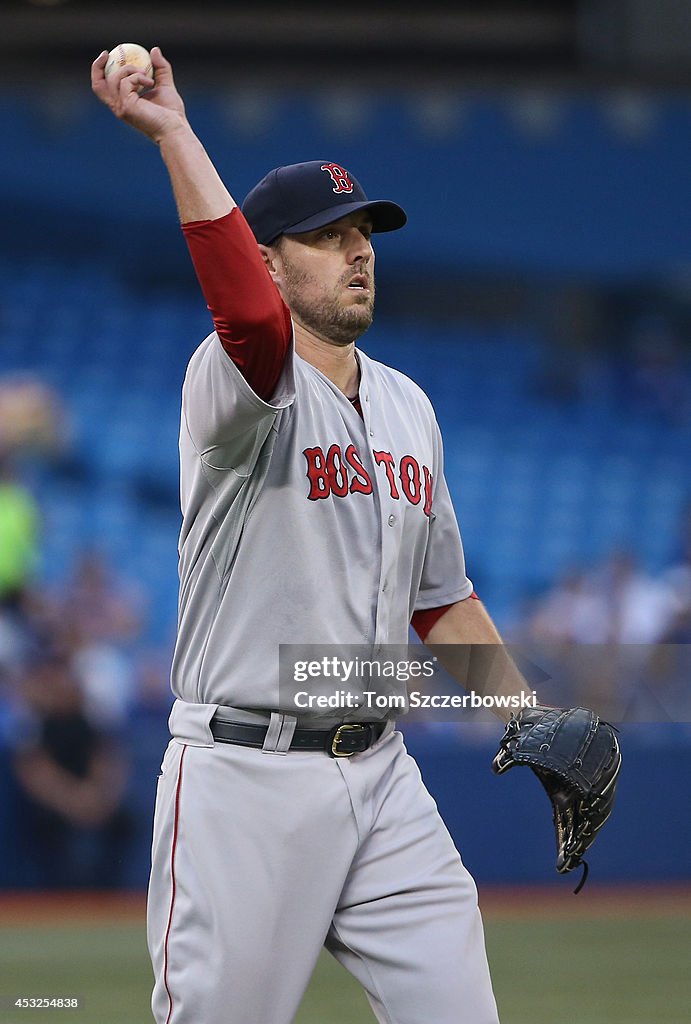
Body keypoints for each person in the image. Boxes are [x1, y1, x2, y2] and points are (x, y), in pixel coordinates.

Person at [92, 47, 536, 1024]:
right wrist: (174, 132)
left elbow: (439, 598)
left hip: (380, 772)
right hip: (245, 777)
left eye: (364, 230)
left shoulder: (410, 406)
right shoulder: (237, 378)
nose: (359, 248)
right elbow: (249, 317)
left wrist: (526, 715)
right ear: (266, 256)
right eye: (326, 236)